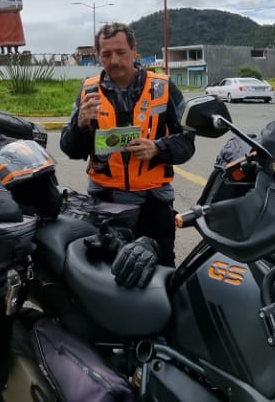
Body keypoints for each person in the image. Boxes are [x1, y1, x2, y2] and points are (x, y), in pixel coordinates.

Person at [60, 22, 195, 283]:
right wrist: (80, 125)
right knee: (105, 278)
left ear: (134, 51)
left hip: (153, 202)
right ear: (98, 56)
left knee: (162, 275)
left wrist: (158, 148)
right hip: (105, 202)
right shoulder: (88, 91)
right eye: (106, 54)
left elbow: (188, 142)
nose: (114, 60)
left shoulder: (164, 88)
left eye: (121, 52)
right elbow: (70, 149)